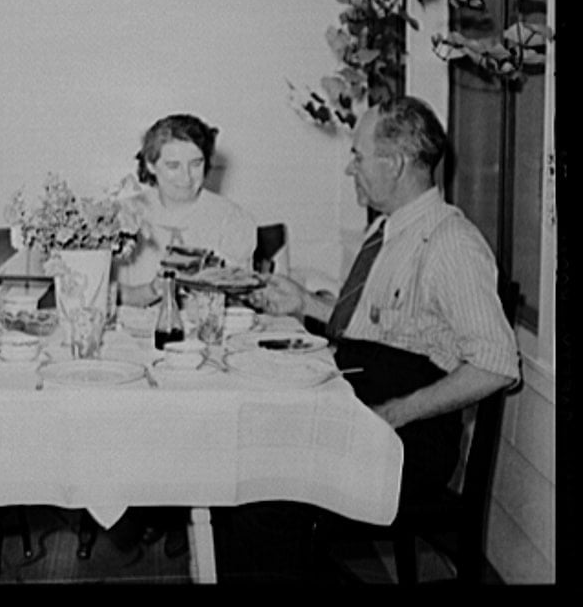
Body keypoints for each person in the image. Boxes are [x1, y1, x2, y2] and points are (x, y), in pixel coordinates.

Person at [226, 95, 520, 582]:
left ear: (396, 162)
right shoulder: (389, 230)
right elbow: (377, 326)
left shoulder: (450, 243)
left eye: (358, 155)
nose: (350, 169)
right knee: (246, 468)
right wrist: (304, 303)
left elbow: (496, 364)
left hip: (406, 442)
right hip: (363, 414)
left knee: (259, 505)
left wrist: (395, 413)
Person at [116, 113, 257, 308]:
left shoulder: (231, 218)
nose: (186, 177)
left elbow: (240, 300)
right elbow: (109, 294)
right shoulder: (124, 214)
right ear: (150, 165)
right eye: (173, 166)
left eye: (196, 164)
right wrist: (153, 290)